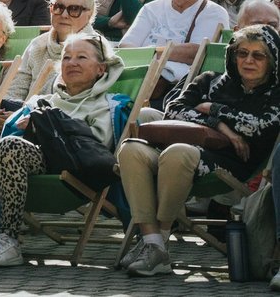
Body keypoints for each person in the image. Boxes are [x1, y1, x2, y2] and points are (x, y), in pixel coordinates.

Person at [0, 33, 124, 268]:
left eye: (81, 57)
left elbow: (99, 145)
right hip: (23, 164)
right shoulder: (42, 100)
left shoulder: (108, 104)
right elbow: (12, 132)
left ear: (100, 69)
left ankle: (9, 239)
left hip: (71, 170)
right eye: (66, 57)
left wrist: (46, 127)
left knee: (11, 146)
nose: (72, 63)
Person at [117, 25, 280, 277]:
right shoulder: (210, 80)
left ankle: (158, 239)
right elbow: (173, 109)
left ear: (271, 61)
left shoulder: (275, 95)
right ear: (232, 55)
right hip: (182, 152)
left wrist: (213, 109)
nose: (248, 60)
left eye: (258, 55)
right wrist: (222, 127)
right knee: (130, 150)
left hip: (232, 165)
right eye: (242, 53)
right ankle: (153, 243)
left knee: (178, 153)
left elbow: (258, 126)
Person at [120, 0, 230, 107]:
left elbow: (197, 53)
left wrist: (149, 52)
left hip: (180, 96)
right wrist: (169, 52)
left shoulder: (213, 12)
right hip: (139, 89)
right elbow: (126, 49)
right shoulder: (152, 8)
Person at [5, 0, 99, 106]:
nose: (64, 15)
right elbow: (15, 89)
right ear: (50, 9)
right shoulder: (38, 44)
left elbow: (82, 102)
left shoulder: (97, 49)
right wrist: (7, 111)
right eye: (58, 7)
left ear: (90, 13)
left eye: (74, 9)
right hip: (22, 116)